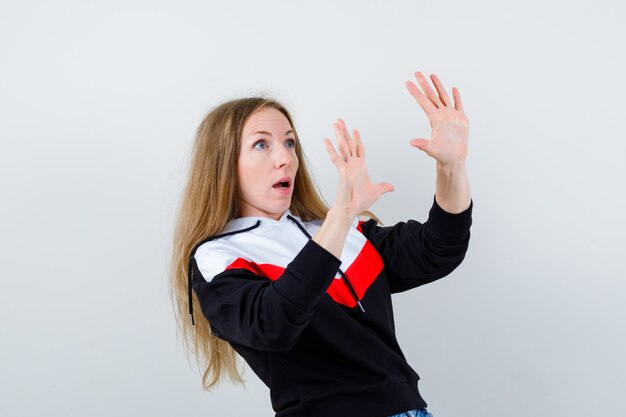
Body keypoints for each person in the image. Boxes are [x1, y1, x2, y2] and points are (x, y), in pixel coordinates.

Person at [170, 71, 472, 417]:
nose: (284, 157)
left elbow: (437, 250)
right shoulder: (217, 257)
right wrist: (340, 217)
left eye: (289, 142)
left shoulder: (335, 231)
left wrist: (452, 168)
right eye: (261, 144)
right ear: (225, 165)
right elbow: (274, 324)